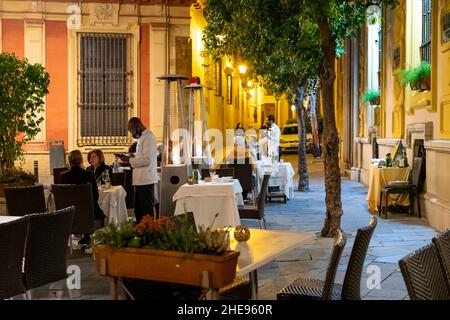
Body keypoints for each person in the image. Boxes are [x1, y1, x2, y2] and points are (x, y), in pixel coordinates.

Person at [117, 117, 158, 223]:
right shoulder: (142, 138)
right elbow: (140, 155)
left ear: (137, 126)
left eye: (132, 131)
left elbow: (147, 160)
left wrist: (129, 160)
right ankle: (141, 232)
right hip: (140, 181)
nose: (132, 134)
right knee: (139, 211)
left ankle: (149, 233)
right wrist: (131, 155)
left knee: (146, 212)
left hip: (146, 180)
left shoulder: (148, 137)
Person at [60, 150, 105, 245]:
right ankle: (88, 236)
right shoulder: (88, 174)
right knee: (95, 208)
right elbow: (95, 196)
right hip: (88, 212)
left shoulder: (63, 176)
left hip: (70, 213)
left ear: (69, 161)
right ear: (81, 161)